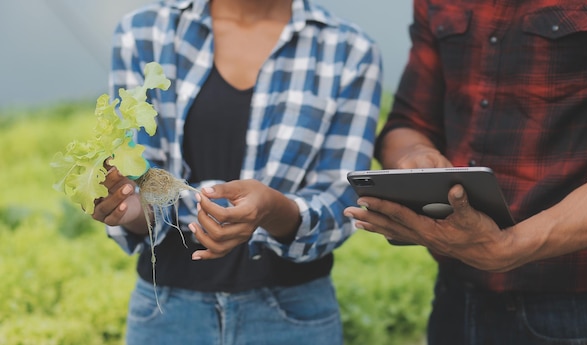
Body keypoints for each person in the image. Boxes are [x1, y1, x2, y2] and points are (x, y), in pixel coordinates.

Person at [91, 0, 382, 344]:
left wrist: (274, 211)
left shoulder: (348, 50)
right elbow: (142, 175)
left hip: (292, 316)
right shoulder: (145, 32)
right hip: (167, 315)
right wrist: (132, 206)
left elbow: (340, 200)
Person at [344, 0, 587, 344]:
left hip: (586, 309)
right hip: (457, 297)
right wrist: (415, 154)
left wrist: (511, 246)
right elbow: (407, 121)